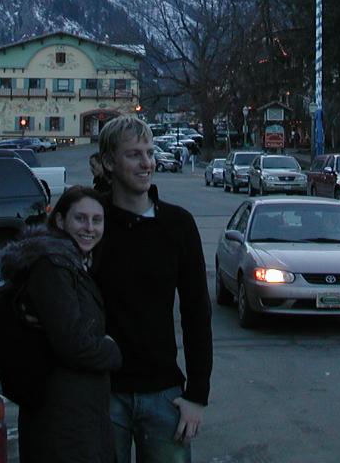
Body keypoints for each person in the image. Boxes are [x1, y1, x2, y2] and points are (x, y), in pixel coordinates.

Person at [92, 115, 212, 463]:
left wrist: (197, 396)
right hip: (102, 393)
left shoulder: (178, 225)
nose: (147, 163)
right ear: (109, 162)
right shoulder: (92, 223)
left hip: (163, 394)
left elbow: (196, 312)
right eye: (134, 154)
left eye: (150, 152)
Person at [0, 186, 122, 463]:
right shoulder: (53, 266)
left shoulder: (73, 262)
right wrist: (112, 350)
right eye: (80, 218)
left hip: (79, 415)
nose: (89, 228)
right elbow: (73, 344)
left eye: (97, 220)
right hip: (62, 421)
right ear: (59, 220)